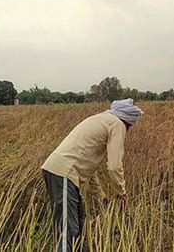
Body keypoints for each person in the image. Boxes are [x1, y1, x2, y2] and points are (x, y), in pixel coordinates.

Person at [41, 98, 143, 251]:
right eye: (130, 126)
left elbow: (90, 168)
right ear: (128, 120)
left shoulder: (101, 119)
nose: (129, 129)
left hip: (63, 173)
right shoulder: (117, 124)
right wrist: (122, 192)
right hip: (63, 173)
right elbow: (114, 166)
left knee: (77, 224)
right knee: (67, 229)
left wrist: (101, 196)